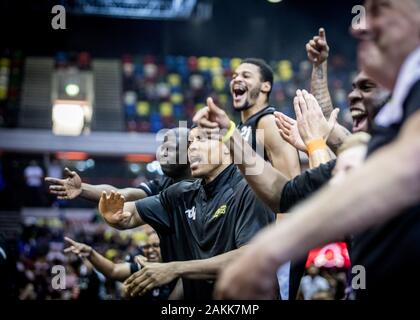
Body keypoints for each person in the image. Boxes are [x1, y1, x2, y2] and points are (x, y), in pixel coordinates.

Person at [214, 0, 420, 299]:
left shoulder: (389, 141)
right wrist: (231, 136)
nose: (358, 24)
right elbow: (281, 195)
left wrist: (268, 250)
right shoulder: (374, 144)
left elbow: (405, 167)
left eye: (379, 9)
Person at [97, 126, 275, 300]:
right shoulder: (182, 193)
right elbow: (131, 213)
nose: (192, 147)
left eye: (202, 139)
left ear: (228, 148)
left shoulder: (250, 189)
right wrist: (114, 215)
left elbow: (251, 256)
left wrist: (175, 268)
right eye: (191, 142)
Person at [45, 127, 191, 202]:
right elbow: (122, 194)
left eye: (170, 147)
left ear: (190, 151)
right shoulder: (164, 184)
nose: (162, 153)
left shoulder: (209, 185)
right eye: (162, 147)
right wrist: (82, 188)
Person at [231, 58, 301, 178]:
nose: (237, 79)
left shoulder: (270, 122)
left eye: (246, 76)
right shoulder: (240, 128)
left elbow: (290, 184)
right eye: (234, 76)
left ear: (265, 86)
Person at [63, 232, 177, 300]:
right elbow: (113, 270)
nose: (150, 250)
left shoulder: (177, 270)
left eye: (156, 246)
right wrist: (90, 253)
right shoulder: (139, 268)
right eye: (147, 246)